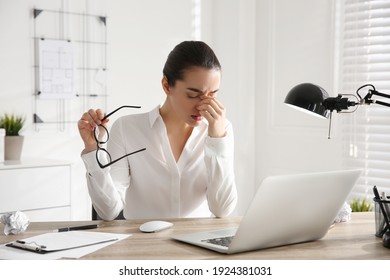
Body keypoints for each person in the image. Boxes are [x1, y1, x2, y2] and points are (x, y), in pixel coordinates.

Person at [78, 41, 237, 220]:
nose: (204, 106)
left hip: (198, 241)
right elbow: (109, 211)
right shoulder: (127, 129)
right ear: (166, 85)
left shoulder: (221, 129)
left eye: (213, 94)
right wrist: (92, 150)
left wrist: (217, 139)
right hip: (143, 242)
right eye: (193, 95)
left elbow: (222, 210)